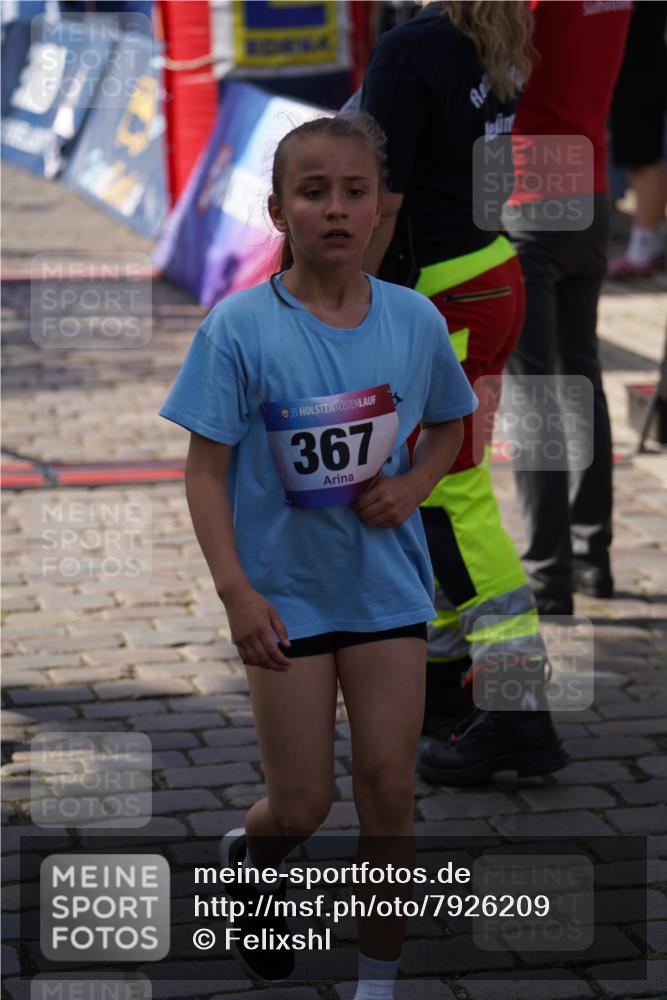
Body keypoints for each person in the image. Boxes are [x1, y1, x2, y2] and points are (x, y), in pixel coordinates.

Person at [159, 114, 476, 993]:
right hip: (285, 600)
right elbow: (204, 471)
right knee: (302, 806)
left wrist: (413, 484)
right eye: (312, 192)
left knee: (387, 791)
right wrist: (236, 594)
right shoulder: (238, 329)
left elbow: (452, 424)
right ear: (276, 210)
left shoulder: (413, 320)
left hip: (386, 595)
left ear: (381, 207)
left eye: (353, 191)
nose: (335, 209)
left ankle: (377, 980)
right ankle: (254, 858)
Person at [359, 0, 568, 786]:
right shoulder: (488, 35)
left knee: (448, 493)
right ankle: (447, 686)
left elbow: (381, 197)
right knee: (439, 493)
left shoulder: (410, 49)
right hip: (486, 277)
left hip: (441, 299)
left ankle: (516, 712)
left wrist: (340, 301)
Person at [503, 0, 631, 614]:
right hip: (590, 187)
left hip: (528, 188)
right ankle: (591, 558)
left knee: (536, 392)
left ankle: (549, 576)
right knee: (582, 379)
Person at [608, 1, 666, 279]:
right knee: (642, 155)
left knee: (643, 157)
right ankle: (650, 240)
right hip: (640, 57)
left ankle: (643, 248)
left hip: (641, 61)